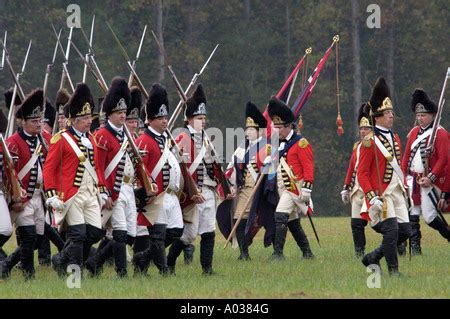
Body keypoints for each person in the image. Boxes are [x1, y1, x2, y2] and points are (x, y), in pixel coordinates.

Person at [43, 83, 107, 278]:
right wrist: (52, 194)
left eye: (89, 117)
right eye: (84, 118)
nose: (89, 122)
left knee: (95, 232)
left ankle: (62, 260)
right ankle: (74, 278)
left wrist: (102, 189)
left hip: (90, 194)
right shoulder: (60, 139)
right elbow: (49, 168)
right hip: (72, 195)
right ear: (73, 120)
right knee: (77, 235)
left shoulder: (92, 139)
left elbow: (97, 167)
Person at [358, 77, 411, 276]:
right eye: (387, 113)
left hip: (396, 191)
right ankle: (394, 272)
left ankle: (372, 257)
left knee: (405, 231)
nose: (391, 116)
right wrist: (372, 197)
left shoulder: (395, 137)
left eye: (391, 112)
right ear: (377, 117)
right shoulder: (370, 142)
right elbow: (362, 173)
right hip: (382, 194)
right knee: (391, 232)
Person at [133, 83, 184, 276]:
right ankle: (164, 271)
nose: (165, 121)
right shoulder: (144, 140)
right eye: (160, 117)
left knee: (176, 232)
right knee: (158, 236)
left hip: (170, 196)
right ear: (150, 119)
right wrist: (145, 192)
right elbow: (139, 169)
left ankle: (142, 258)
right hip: (157, 196)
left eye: (166, 117)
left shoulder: (164, 139)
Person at [0, 89, 51, 280]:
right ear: (23, 121)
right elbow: (8, 174)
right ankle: (29, 274)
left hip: (40, 196)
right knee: (28, 236)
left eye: (40, 120)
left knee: (37, 239)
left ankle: (6, 264)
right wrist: (15, 197)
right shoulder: (12, 143)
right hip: (23, 197)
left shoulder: (45, 139)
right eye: (34, 121)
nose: (39, 124)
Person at [401, 89, 449, 253]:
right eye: (418, 115)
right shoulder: (414, 132)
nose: (420, 118)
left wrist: (431, 176)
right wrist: (404, 176)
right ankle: (415, 248)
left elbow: (444, 160)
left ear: (433, 115)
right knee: (412, 212)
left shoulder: (440, 134)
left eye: (424, 115)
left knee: (429, 217)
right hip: (413, 179)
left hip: (430, 181)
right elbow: (406, 157)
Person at [267, 96, 315, 260]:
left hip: (296, 189)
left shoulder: (300, 143)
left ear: (288, 126)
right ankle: (307, 252)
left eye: (279, 127)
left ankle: (278, 253)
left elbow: (309, 167)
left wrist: (307, 188)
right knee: (293, 222)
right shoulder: (277, 143)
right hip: (283, 188)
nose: (276, 130)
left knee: (280, 215)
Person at [341, 104, 372, 258]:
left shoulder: (376, 146)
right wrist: (346, 187)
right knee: (356, 224)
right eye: (361, 129)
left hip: (371, 190)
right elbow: (352, 168)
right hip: (356, 190)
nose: (363, 131)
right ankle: (359, 253)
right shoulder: (357, 146)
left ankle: (397, 246)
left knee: (380, 225)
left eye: (366, 128)